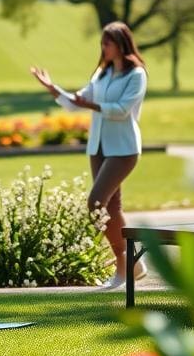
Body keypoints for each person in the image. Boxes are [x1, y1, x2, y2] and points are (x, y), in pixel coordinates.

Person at [30, 21, 148, 291]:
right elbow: (75, 102)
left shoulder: (136, 75)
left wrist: (91, 104)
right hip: (99, 148)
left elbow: (121, 110)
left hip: (124, 149)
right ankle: (134, 263)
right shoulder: (102, 74)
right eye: (102, 43)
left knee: (96, 203)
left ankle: (123, 263)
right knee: (111, 209)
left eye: (107, 43)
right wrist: (52, 88)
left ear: (120, 44)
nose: (103, 48)